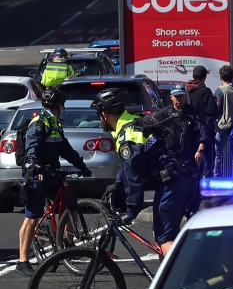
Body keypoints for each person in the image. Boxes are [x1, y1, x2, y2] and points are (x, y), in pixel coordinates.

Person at [15, 89, 91, 275]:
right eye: (62, 106)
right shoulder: (39, 123)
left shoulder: (55, 124)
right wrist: (33, 164)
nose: (62, 109)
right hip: (38, 175)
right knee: (32, 218)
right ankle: (22, 261)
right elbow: (32, 145)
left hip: (53, 173)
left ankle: (69, 244)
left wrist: (81, 166)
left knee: (70, 207)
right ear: (58, 106)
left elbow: (65, 148)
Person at [137, 84, 208, 255]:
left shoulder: (192, 114)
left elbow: (204, 132)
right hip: (177, 177)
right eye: (176, 96)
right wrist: (138, 122)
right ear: (171, 97)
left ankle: (174, 274)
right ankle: (165, 275)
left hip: (181, 175)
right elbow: (148, 122)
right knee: (160, 232)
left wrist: (200, 149)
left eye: (181, 96)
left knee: (166, 236)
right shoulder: (164, 114)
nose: (179, 99)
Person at [91, 88, 150, 222]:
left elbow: (132, 174)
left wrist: (132, 209)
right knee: (159, 234)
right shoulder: (134, 120)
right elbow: (128, 165)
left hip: (172, 184)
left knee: (165, 239)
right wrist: (117, 183)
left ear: (104, 115)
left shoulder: (127, 136)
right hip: (179, 177)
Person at [213, 64, 233, 177]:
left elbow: (217, 108)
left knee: (218, 153)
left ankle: (217, 177)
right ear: (232, 77)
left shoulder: (220, 91)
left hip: (222, 127)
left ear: (221, 78)